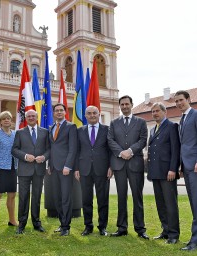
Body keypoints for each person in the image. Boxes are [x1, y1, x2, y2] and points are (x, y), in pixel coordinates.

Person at [107, 95, 149, 239]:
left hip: (135, 164)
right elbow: (110, 139)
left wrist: (130, 151)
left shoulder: (141, 122)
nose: (124, 106)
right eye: (122, 104)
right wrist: (120, 152)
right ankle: (122, 227)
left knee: (137, 197)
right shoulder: (114, 123)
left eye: (127, 104)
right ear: (120, 106)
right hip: (119, 164)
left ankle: (140, 229)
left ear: (131, 104)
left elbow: (143, 140)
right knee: (121, 197)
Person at [174, 90, 197, 251]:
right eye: (176, 101)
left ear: (188, 99)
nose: (179, 103)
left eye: (181, 100)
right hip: (187, 166)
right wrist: (182, 166)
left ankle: (196, 241)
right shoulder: (182, 119)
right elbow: (184, 145)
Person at [74, 106, 112, 236]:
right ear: (85, 116)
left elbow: (110, 150)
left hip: (102, 170)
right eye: (89, 113)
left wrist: (110, 167)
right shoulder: (79, 131)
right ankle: (88, 226)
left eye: (94, 113)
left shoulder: (107, 130)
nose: (92, 115)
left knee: (103, 199)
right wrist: (76, 168)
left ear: (99, 114)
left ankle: (102, 227)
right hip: (84, 170)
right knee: (86, 200)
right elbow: (76, 150)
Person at [12, 110, 50, 234]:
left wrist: (44, 157)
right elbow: (14, 150)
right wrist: (24, 156)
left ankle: (36, 222)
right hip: (24, 170)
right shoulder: (20, 132)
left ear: (37, 117)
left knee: (37, 197)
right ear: (26, 118)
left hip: (39, 170)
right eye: (29, 116)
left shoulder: (45, 132)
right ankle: (21, 224)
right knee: (23, 197)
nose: (31, 118)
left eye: (33, 116)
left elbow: (49, 150)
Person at [147, 102, 180, 244]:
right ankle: (165, 231)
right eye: (153, 111)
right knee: (160, 204)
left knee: (170, 204)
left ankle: (174, 235)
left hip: (168, 172)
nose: (155, 113)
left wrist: (173, 169)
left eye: (157, 111)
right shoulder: (152, 129)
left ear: (164, 112)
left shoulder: (172, 126)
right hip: (156, 172)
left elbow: (175, 150)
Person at [48, 103, 77, 236]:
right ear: (54, 113)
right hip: (53, 168)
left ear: (65, 112)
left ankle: (66, 226)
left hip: (65, 168)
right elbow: (51, 148)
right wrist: (49, 165)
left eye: (61, 110)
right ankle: (61, 223)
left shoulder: (71, 127)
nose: (59, 112)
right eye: (56, 110)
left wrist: (68, 166)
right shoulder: (51, 127)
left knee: (66, 198)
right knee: (57, 198)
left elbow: (72, 148)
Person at [0, 111, 18, 232]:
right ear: (0, 121)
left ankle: (12, 220)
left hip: (13, 168)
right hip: (0, 168)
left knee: (12, 195)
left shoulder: (15, 134)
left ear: (11, 121)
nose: (7, 120)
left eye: (9, 118)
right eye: (4, 119)